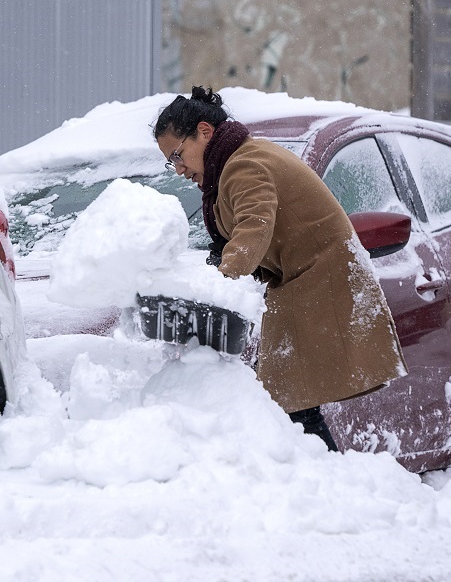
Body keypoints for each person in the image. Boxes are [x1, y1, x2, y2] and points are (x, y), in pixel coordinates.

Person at [153, 86, 407, 451]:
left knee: (288, 404)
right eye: (170, 161)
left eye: (178, 154)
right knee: (287, 403)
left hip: (319, 281)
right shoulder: (234, 162)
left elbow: (253, 228)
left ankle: (325, 482)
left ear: (205, 132)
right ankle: (320, 479)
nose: (178, 169)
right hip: (302, 284)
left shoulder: (243, 165)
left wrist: (219, 288)